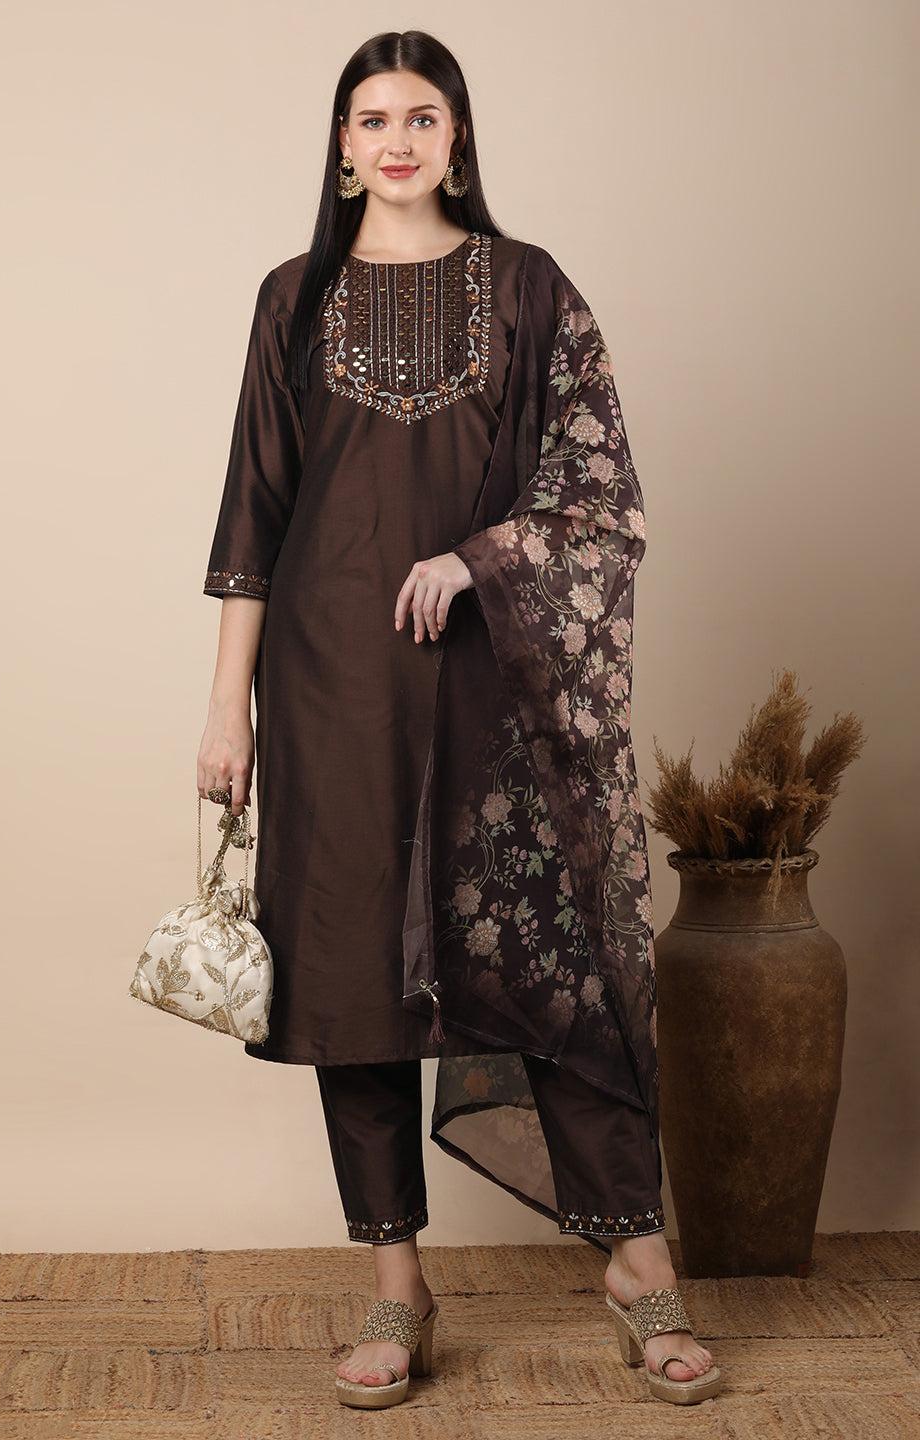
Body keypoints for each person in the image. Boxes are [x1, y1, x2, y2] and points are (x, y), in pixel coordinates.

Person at [197, 30, 722, 1410]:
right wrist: (226, 709)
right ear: (341, 144)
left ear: (459, 137)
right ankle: (397, 1289)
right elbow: (253, 512)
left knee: (557, 965)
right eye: (372, 118)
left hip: (497, 683)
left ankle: (639, 1268)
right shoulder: (294, 298)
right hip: (328, 684)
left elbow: (601, 492)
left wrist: (482, 560)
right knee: (352, 976)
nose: (397, 140)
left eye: (421, 116)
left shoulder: (530, 287)